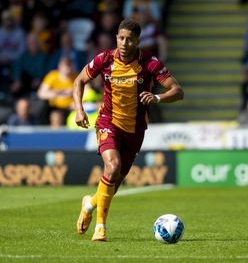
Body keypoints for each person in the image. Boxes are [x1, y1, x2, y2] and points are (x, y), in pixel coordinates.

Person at [73, 19, 184, 241]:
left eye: (130, 39)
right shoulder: (104, 59)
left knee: (113, 184)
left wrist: (157, 97)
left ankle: (90, 204)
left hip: (135, 130)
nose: (124, 43)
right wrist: (79, 109)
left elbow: (178, 91)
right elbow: (79, 81)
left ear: (137, 41)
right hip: (108, 122)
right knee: (112, 167)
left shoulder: (150, 63)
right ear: (117, 38)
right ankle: (101, 227)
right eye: (121, 38)